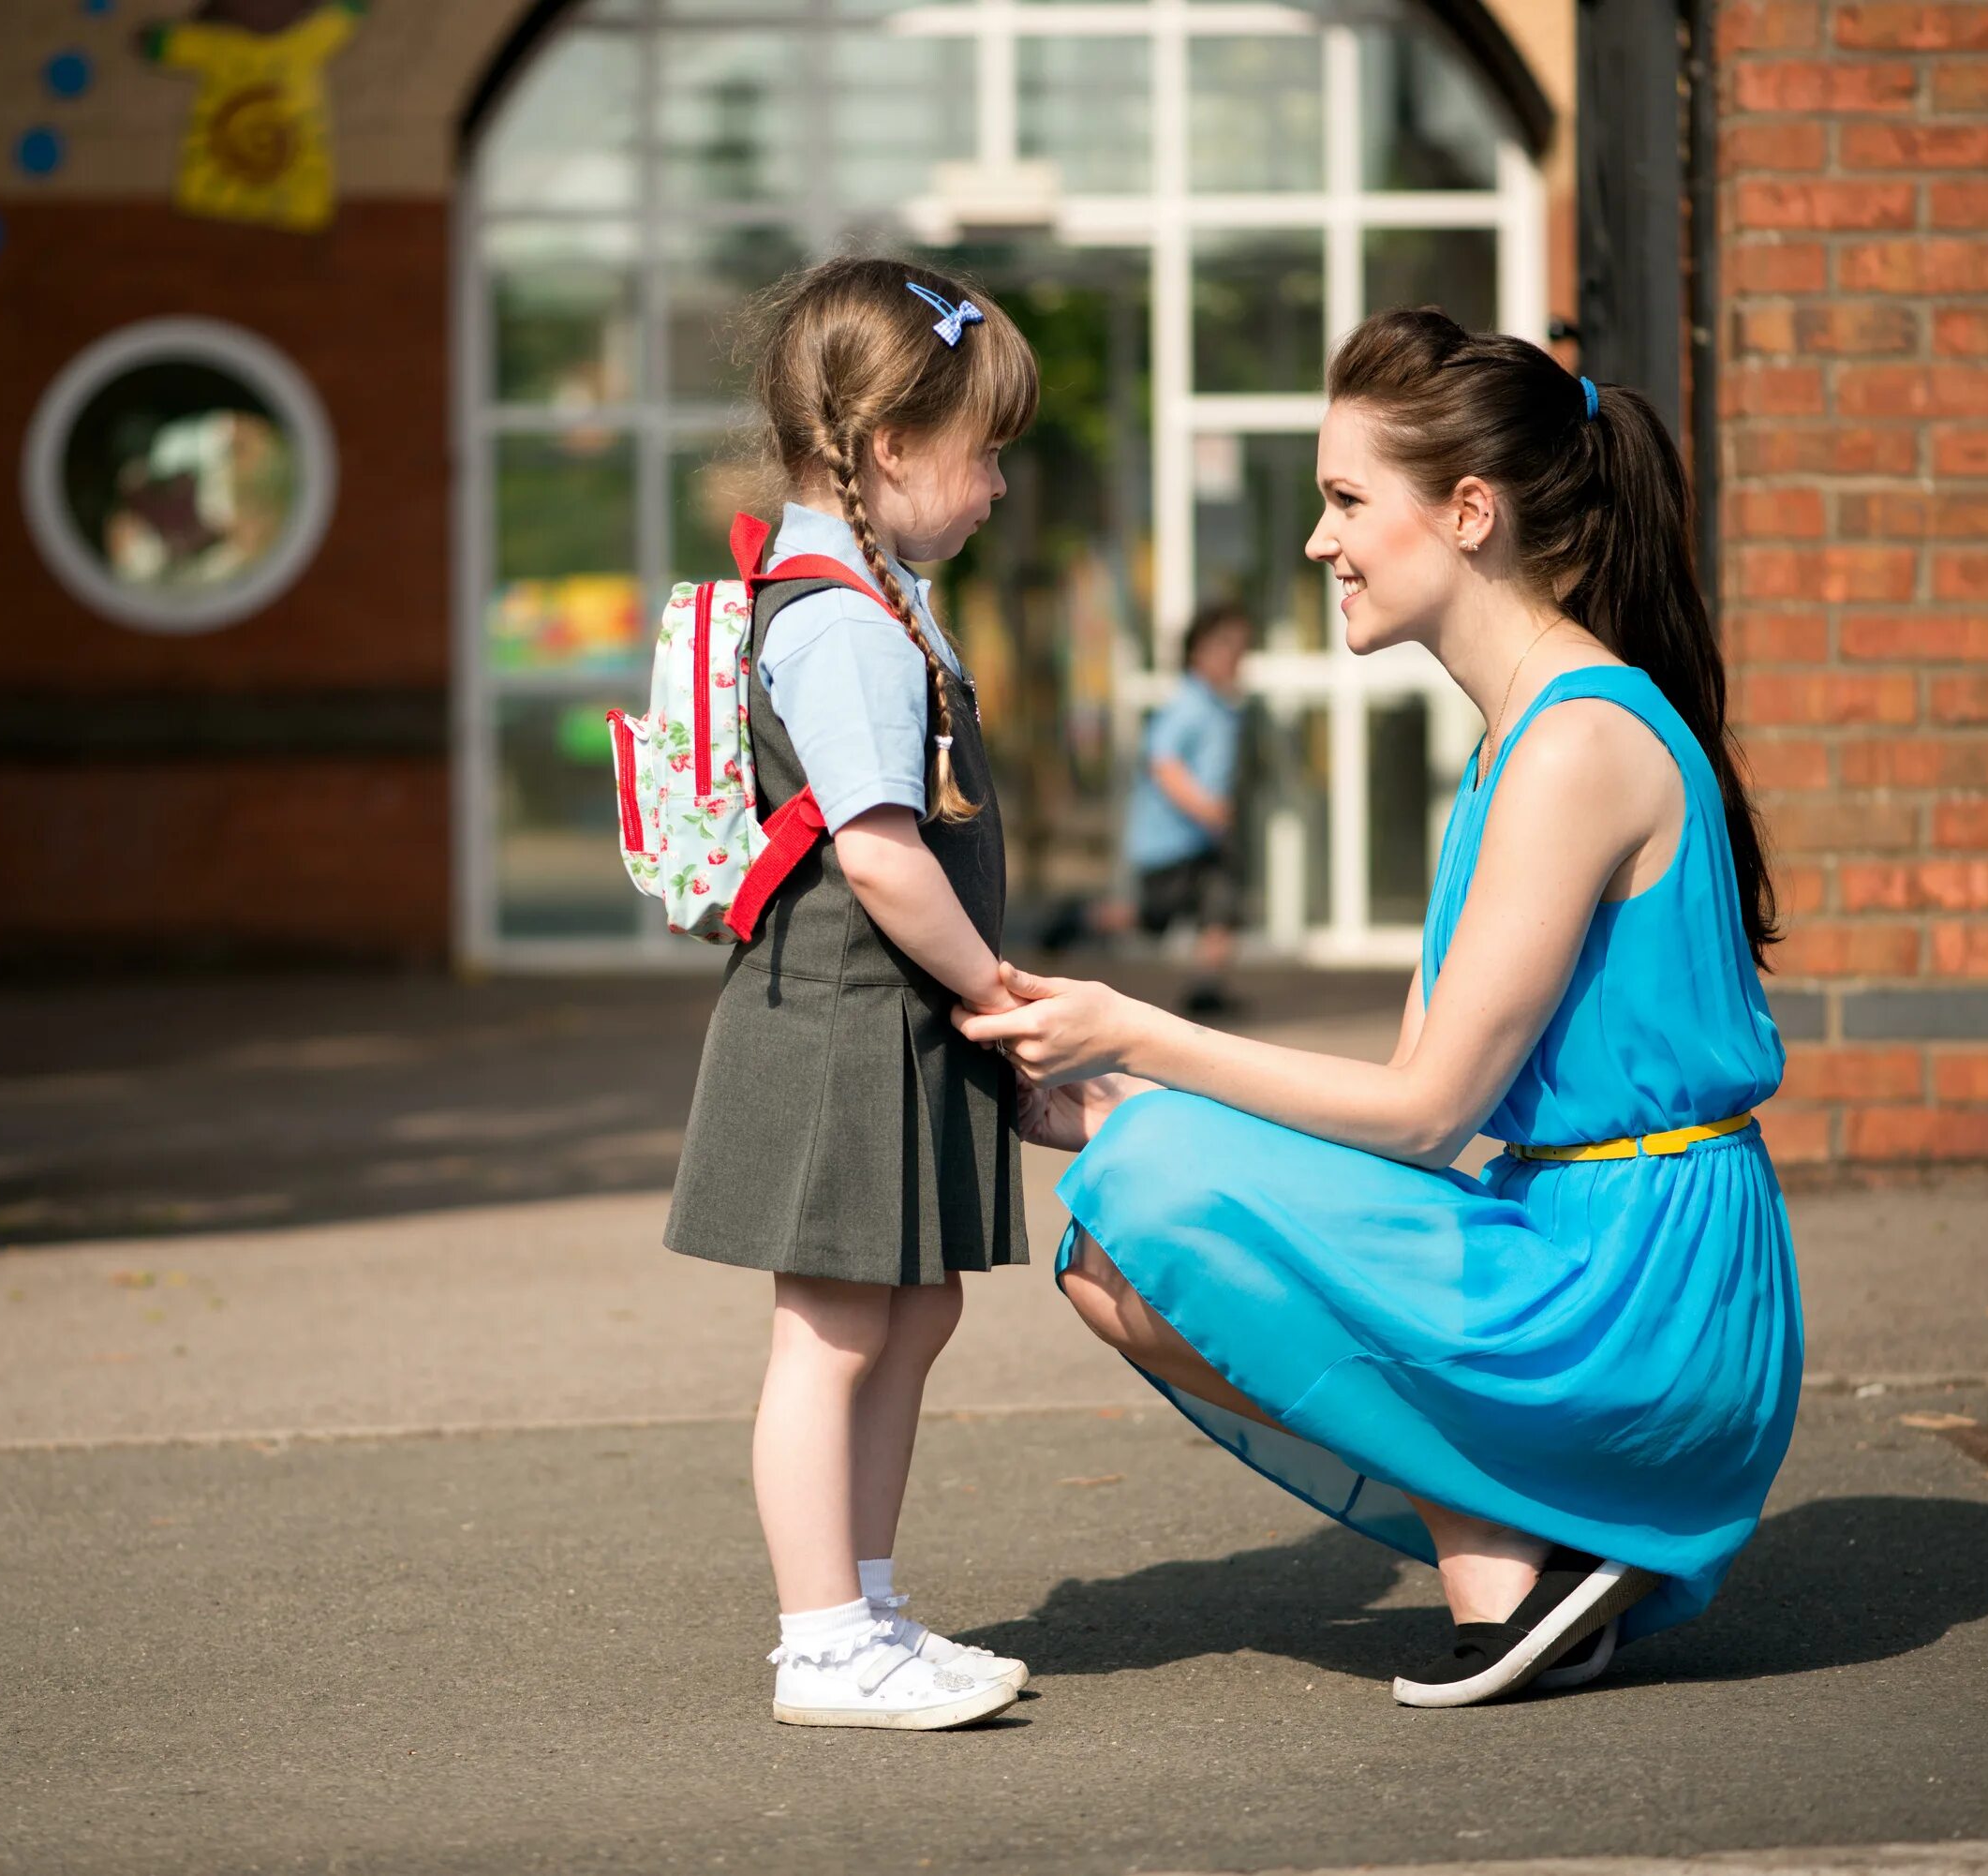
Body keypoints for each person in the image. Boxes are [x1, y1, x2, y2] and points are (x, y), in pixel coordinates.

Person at [957, 308, 1801, 1709]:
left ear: (1470, 512)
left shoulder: (1580, 739)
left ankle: (1515, 1540)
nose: (1318, 540)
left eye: (1348, 500)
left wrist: (1135, 1034)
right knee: (1112, 1243)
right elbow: (1413, 1094)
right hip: (1569, 1236)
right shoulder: (1516, 739)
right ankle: (1507, 1545)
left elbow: (1420, 1118)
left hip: (1647, 1290)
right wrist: (1127, 1100)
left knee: (1152, 1180)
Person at [662, 257, 1041, 1730]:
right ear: (889, 449)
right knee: (829, 1329)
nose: (997, 485)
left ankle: (869, 1603)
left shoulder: (884, 598)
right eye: (983, 450)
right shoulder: (844, 622)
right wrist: (994, 988)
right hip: (841, 1026)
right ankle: (824, 1637)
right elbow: (881, 856)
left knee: (915, 1306)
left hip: (884, 1027)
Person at [1119, 603, 1253, 1013]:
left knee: (1221, 906)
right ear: (1198, 654)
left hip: (1204, 842)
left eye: (1241, 649)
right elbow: (1163, 764)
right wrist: (1205, 808)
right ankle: (1078, 921)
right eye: (1226, 648)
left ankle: (1208, 988)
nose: (1236, 659)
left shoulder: (1224, 709)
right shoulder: (1187, 706)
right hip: (1169, 842)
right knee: (1151, 919)